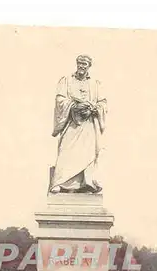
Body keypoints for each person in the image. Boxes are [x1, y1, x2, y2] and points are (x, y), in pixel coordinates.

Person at [50, 54, 107, 194]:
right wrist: (73, 106)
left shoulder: (95, 84)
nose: (81, 66)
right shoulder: (67, 81)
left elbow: (103, 103)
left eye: (84, 64)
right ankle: (60, 182)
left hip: (88, 125)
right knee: (66, 150)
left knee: (87, 152)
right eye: (79, 63)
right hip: (72, 122)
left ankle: (87, 183)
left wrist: (94, 109)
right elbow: (60, 99)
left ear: (89, 66)